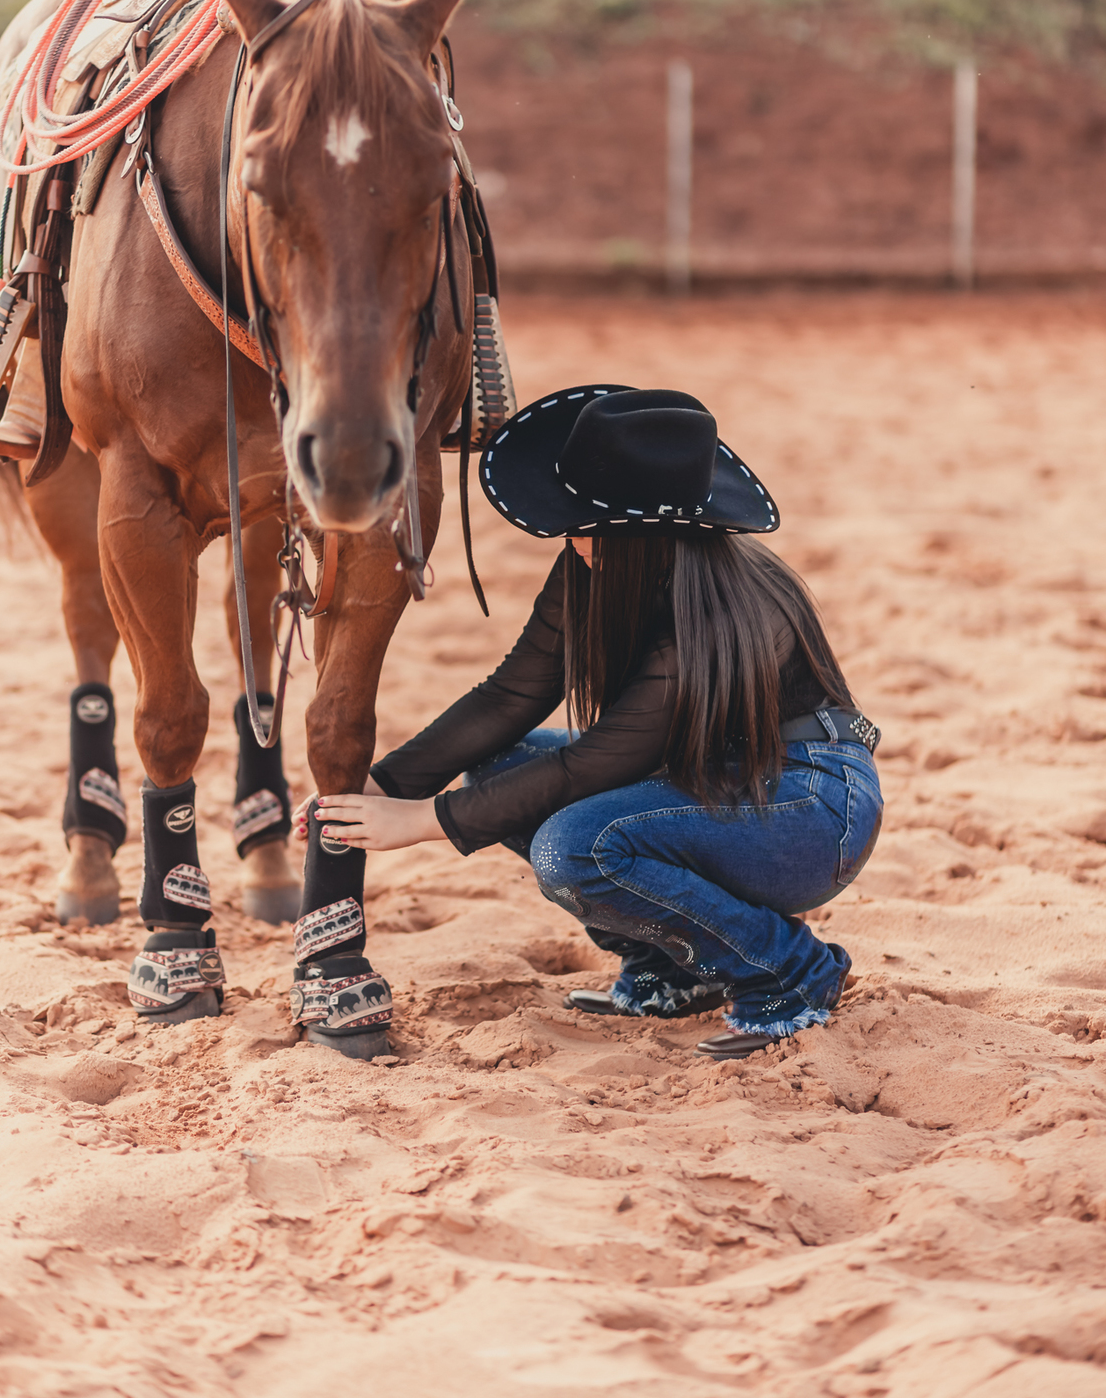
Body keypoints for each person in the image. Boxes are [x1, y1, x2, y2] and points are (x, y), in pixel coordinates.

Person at [308, 386, 882, 1060]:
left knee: (576, 847)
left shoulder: (723, 606)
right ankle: (671, 969)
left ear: (641, 534)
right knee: (497, 768)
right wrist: (382, 787)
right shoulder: (598, 564)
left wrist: (426, 821)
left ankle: (790, 971)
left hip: (811, 808)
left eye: (585, 525)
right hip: (710, 778)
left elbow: (598, 763)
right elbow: (510, 697)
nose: (571, 540)